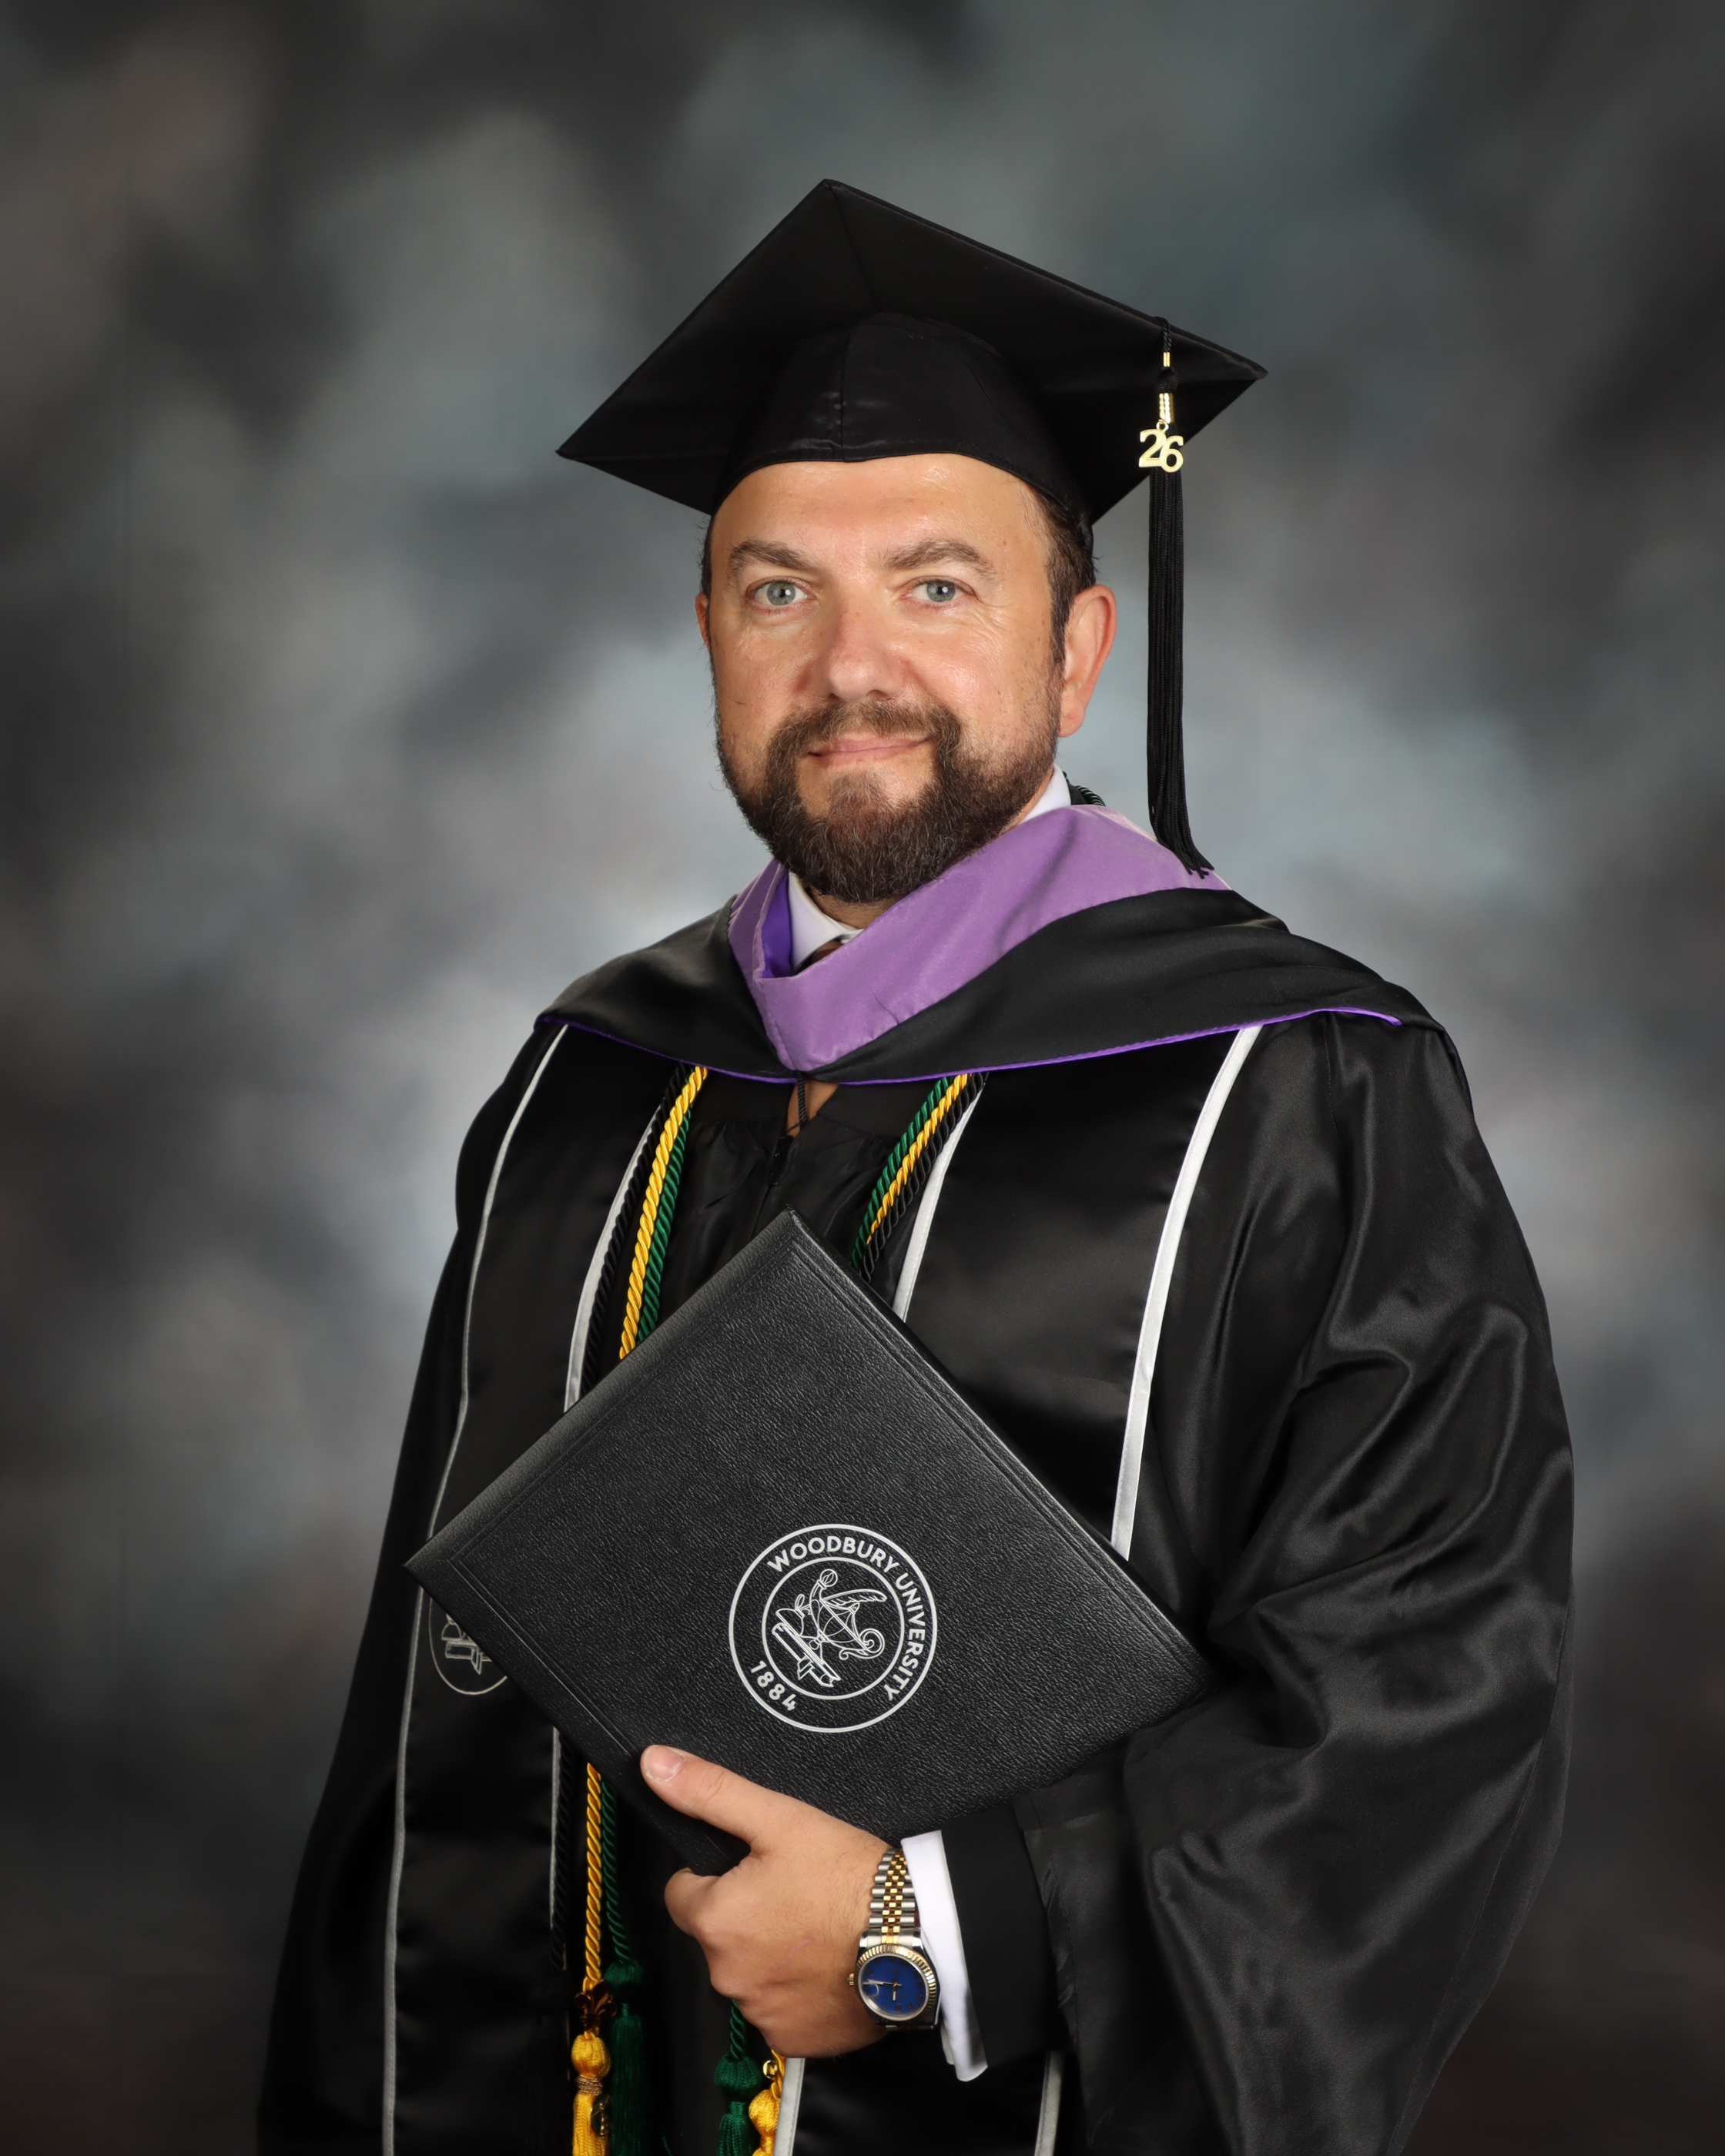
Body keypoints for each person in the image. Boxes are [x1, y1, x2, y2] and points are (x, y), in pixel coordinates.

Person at [260, 182, 1572, 2156]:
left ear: (1077, 646)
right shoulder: (588, 1079)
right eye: (779, 590)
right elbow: (421, 1719)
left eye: (938, 586)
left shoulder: (1302, 1086)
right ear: (709, 633)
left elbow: (1426, 1686)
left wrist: (931, 1927)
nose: (850, 664)